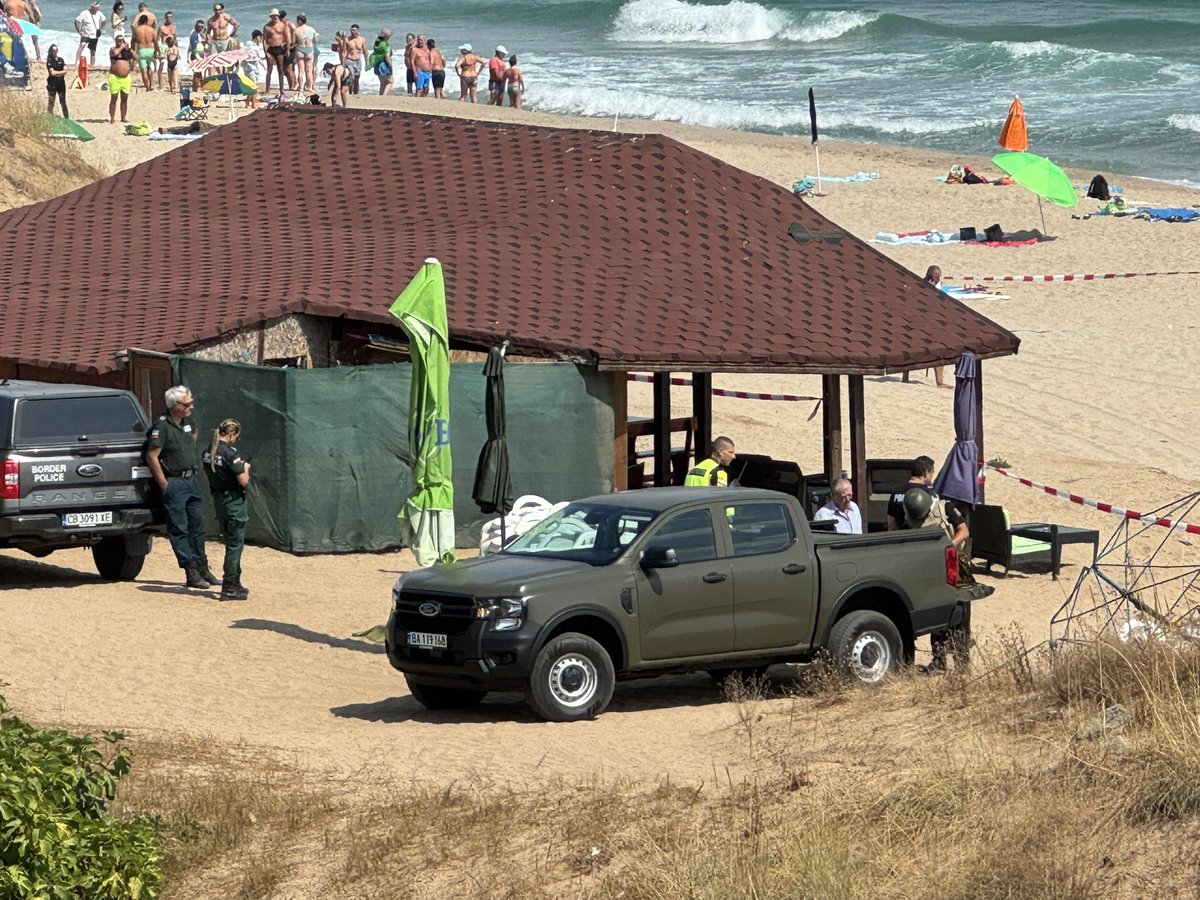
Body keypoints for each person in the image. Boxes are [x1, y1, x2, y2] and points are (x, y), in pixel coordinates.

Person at [900, 487, 989, 672]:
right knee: (937, 615)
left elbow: (963, 531)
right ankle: (939, 661)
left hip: (956, 568)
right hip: (931, 571)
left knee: (960, 617)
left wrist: (948, 546)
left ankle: (962, 665)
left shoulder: (944, 508)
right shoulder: (910, 515)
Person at [146, 386, 219, 590]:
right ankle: (190, 570)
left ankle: (202, 566)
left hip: (191, 480)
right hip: (175, 483)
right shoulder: (162, 428)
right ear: (174, 405)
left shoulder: (188, 423)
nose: (191, 407)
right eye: (187, 405)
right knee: (179, 528)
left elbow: (193, 437)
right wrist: (164, 484)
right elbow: (152, 456)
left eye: (191, 403)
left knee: (197, 526)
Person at [203, 418, 251, 601]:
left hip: (219, 500)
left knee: (230, 541)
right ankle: (229, 586)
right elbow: (243, 481)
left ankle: (235, 583)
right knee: (235, 545)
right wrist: (246, 468)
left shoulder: (208, 451)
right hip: (233, 502)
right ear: (231, 434)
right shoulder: (231, 453)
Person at [886, 455, 936, 531]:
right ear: (926, 473)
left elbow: (891, 523)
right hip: (922, 538)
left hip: (901, 538)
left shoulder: (897, 491)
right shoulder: (928, 493)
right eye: (932, 473)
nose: (932, 477)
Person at [925, 266, 952, 389]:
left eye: (939, 275)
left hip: (938, 320)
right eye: (936, 274)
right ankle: (905, 376)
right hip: (927, 322)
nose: (938, 277)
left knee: (940, 352)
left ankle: (940, 382)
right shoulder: (925, 285)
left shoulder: (939, 285)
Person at [107, 35, 134, 123]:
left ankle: (123, 117)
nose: (120, 42)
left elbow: (136, 57)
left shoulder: (126, 51)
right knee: (114, 98)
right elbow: (115, 53)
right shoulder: (113, 49)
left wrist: (129, 49)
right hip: (115, 77)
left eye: (121, 40)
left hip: (126, 78)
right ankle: (112, 118)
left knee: (124, 99)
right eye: (118, 40)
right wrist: (122, 47)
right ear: (115, 40)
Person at [262, 9, 287, 94]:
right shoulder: (267, 26)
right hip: (270, 49)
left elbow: (287, 37)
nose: (275, 17)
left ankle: (281, 89)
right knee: (269, 70)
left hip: (279, 48)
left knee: (280, 69)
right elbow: (264, 40)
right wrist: (266, 52)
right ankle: (267, 89)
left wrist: (287, 49)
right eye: (273, 16)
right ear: (271, 17)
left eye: (276, 15)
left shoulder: (282, 25)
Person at [74, 2, 106, 67]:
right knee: (82, 45)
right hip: (86, 34)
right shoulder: (85, 13)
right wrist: (80, 31)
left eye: (98, 9)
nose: (97, 10)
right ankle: (77, 62)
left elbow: (104, 21)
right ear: (92, 7)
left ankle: (92, 64)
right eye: (96, 9)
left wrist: (100, 28)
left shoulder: (99, 13)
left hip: (94, 35)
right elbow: (77, 21)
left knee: (93, 50)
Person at [131, 10, 156, 91]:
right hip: (150, 50)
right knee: (149, 68)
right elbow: (155, 42)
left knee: (143, 70)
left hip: (141, 50)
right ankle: (152, 83)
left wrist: (133, 50)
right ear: (147, 21)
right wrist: (157, 51)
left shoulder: (137, 30)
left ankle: (147, 87)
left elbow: (133, 40)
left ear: (139, 21)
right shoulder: (152, 30)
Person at [293, 13, 316, 92]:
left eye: (297, 21)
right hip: (309, 49)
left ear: (300, 21)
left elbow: (293, 42)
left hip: (300, 49)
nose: (296, 22)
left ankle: (301, 88)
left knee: (301, 71)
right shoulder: (312, 29)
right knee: (309, 71)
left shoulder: (296, 30)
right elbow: (314, 40)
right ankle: (310, 87)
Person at [342, 22, 366, 94]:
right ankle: (350, 92)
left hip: (358, 61)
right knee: (351, 78)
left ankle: (355, 94)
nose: (352, 32)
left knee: (356, 79)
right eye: (351, 30)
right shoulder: (347, 39)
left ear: (358, 30)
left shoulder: (362, 39)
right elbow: (344, 51)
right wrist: (342, 62)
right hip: (349, 60)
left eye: (354, 30)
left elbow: (365, 51)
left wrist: (367, 61)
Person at [45, 44, 68, 117]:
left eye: (56, 50)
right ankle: (49, 117)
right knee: (51, 101)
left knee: (63, 101)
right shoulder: (49, 61)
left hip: (61, 84)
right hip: (52, 84)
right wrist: (61, 73)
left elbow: (65, 70)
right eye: (53, 51)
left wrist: (58, 73)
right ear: (51, 51)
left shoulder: (61, 60)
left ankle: (66, 118)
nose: (55, 52)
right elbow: (52, 73)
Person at [367, 27, 391, 96]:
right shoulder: (385, 44)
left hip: (377, 63)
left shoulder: (377, 42)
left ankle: (381, 95)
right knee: (389, 82)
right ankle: (384, 96)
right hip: (383, 64)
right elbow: (387, 57)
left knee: (382, 83)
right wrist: (390, 66)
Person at [155, 10, 175, 89]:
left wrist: (177, 49)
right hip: (163, 47)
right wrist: (158, 50)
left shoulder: (173, 27)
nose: (169, 19)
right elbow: (157, 39)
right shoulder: (162, 27)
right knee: (161, 67)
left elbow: (175, 39)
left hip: (171, 48)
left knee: (172, 66)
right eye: (167, 17)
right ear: (165, 18)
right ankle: (160, 84)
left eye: (170, 17)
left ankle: (172, 83)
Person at [410, 32, 430, 96]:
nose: (419, 41)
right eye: (418, 40)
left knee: (426, 89)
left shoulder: (427, 50)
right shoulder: (414, 49)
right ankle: (417, 101)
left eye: (421, 40)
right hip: (419, 72)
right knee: (419, 89)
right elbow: (412, 60)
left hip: (427, 72)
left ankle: (423, 102)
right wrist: (414, 72)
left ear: (425, 40)